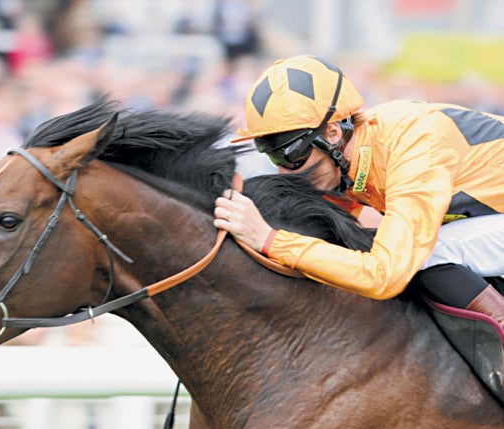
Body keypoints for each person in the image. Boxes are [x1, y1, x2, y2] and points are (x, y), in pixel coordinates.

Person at [213, 55, 504, 325]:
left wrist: (270, 239)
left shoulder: (414, 149)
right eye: (274, 158)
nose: (284, 171)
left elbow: (384, 276)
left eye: (290, 156)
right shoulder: (348, 158)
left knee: (429, 253)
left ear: (332, 134)